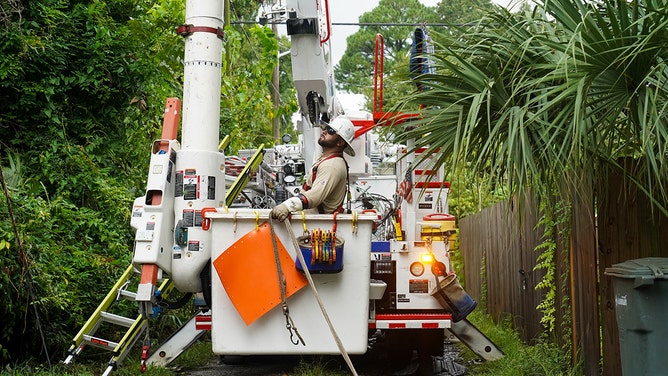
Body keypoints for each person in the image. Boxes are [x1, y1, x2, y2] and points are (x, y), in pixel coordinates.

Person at [270, 116, 355, 222]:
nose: (324, 131)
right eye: (325, 128)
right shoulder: (327, 161)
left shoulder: (332, 165)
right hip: (313, 221)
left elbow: (314, 197)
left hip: (318, 225)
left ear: (340, 142)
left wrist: (287, 206)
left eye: (330, 131)